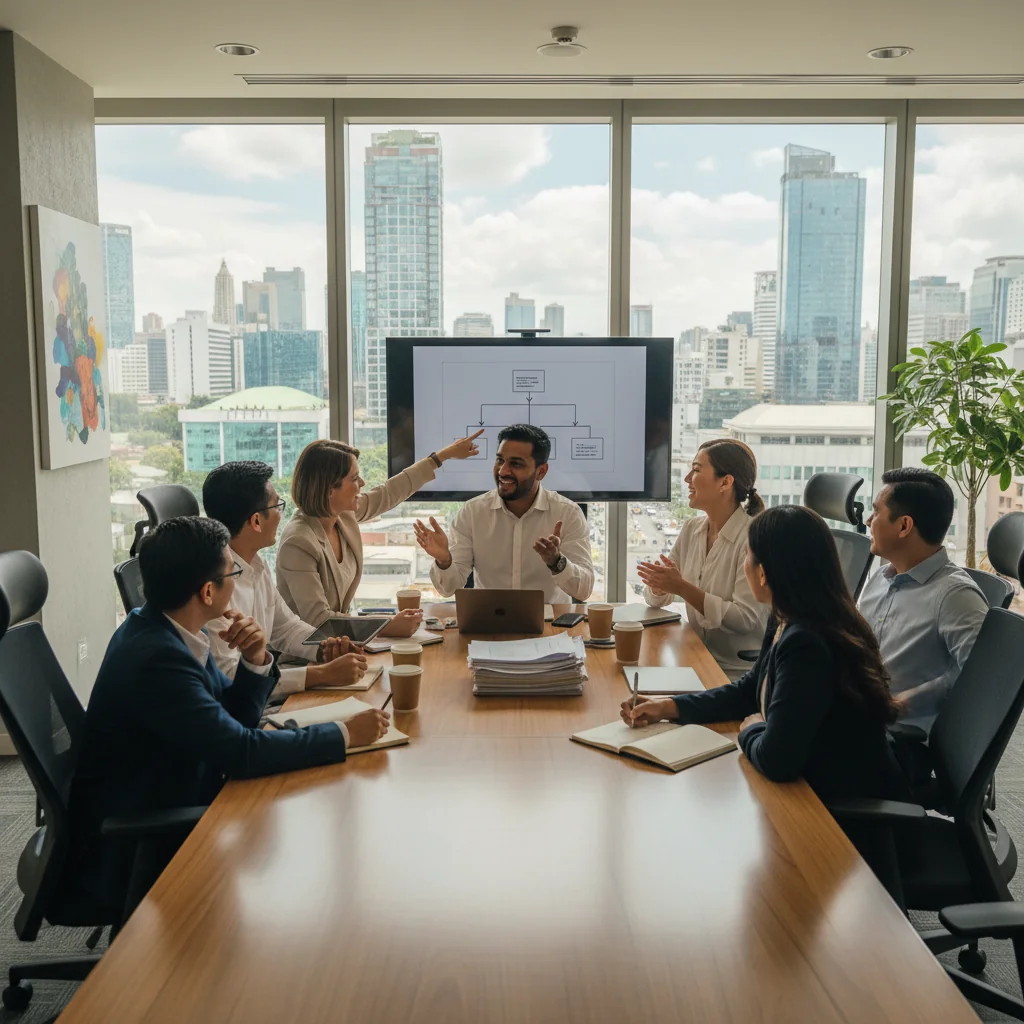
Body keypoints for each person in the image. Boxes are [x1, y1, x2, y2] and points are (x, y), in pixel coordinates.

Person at [67, 517, 390, 914]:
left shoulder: (173, 628)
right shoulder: (158, 658)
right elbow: (241, 750)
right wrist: (342, 734)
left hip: (180, 782)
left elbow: (233, 721)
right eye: (232, 573)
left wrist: (256, 661)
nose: (237, 580)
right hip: (141, 832)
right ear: (207, 591)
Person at [621, 505, 908, 803]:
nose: (745, 565)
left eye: (747, 556)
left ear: (763, 573)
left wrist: (753, 727)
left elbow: (777, 760)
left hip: (840, 813)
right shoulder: (789, 615)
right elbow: (748, 691)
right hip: (811, 787)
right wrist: (667, 708)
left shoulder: (806, 643)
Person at [277, 432, 482, 626]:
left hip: (340, 646)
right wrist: (387, 624)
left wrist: (443, 456)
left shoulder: (342, 515)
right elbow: (319, 621)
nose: (363, 483)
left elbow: (389, 492)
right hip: (303, 658)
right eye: (355, 478)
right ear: (330, 490)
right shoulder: (298, 543)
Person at [202, 460, 370, 696]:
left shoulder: (255, 565)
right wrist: (322, 674)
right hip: (241, 714)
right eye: (277, 507)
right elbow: (228, 677)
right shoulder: (213, 588)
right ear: (256, 521)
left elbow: (286, 628)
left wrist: (324, 650)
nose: (282, 516)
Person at [858, 468, 988, 736]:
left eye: (877, 512)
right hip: (860, 721)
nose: (869, 520)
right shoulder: (880, 579)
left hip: (898, 741)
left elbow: (980, 674)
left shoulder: (955, 596)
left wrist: (903, 703)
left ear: (904, 526)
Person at [413, 424, 594, 603]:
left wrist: (556, 562)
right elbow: (448, 589)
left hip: (551, 626)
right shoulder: (472, 512)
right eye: (500, 460)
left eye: (516, 464)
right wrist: (444, 560)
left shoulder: (567, 513)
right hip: (487, 624)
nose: (503, 471)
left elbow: (584, 591)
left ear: (541, 471)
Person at [637, 439, 769, 680]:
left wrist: (682, 588)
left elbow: (745, 619)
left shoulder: (753, 538)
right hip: (694, 656)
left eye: (696, 470)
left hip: (737, 673)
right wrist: (658, 586)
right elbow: (656, 599)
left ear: (725, 482)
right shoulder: (691, 529)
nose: (687, 478)